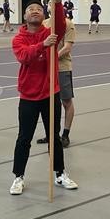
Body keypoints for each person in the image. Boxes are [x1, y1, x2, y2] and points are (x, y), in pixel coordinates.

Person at [8, 0, 79, 196]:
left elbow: (59, 20)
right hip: (28, 96)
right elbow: (24, 56)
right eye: (31, 9)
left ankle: (60, 173)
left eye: (39, 8)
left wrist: (56, 1)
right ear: (24, 15)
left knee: (54, 137)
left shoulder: (51, 33)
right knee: (24, 138)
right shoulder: (18, 39)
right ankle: (18, 177)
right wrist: (42, 45)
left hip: (50, 93)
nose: (35, 11)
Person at [38, 12, 77, 147]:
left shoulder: (68, 24)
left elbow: (67, 47)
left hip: (62, 68)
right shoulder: (44, 24)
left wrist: (53, 58)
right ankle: (51, 135)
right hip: (46, 69)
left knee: (66, 102)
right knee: (48, 104)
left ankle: (65, 134)